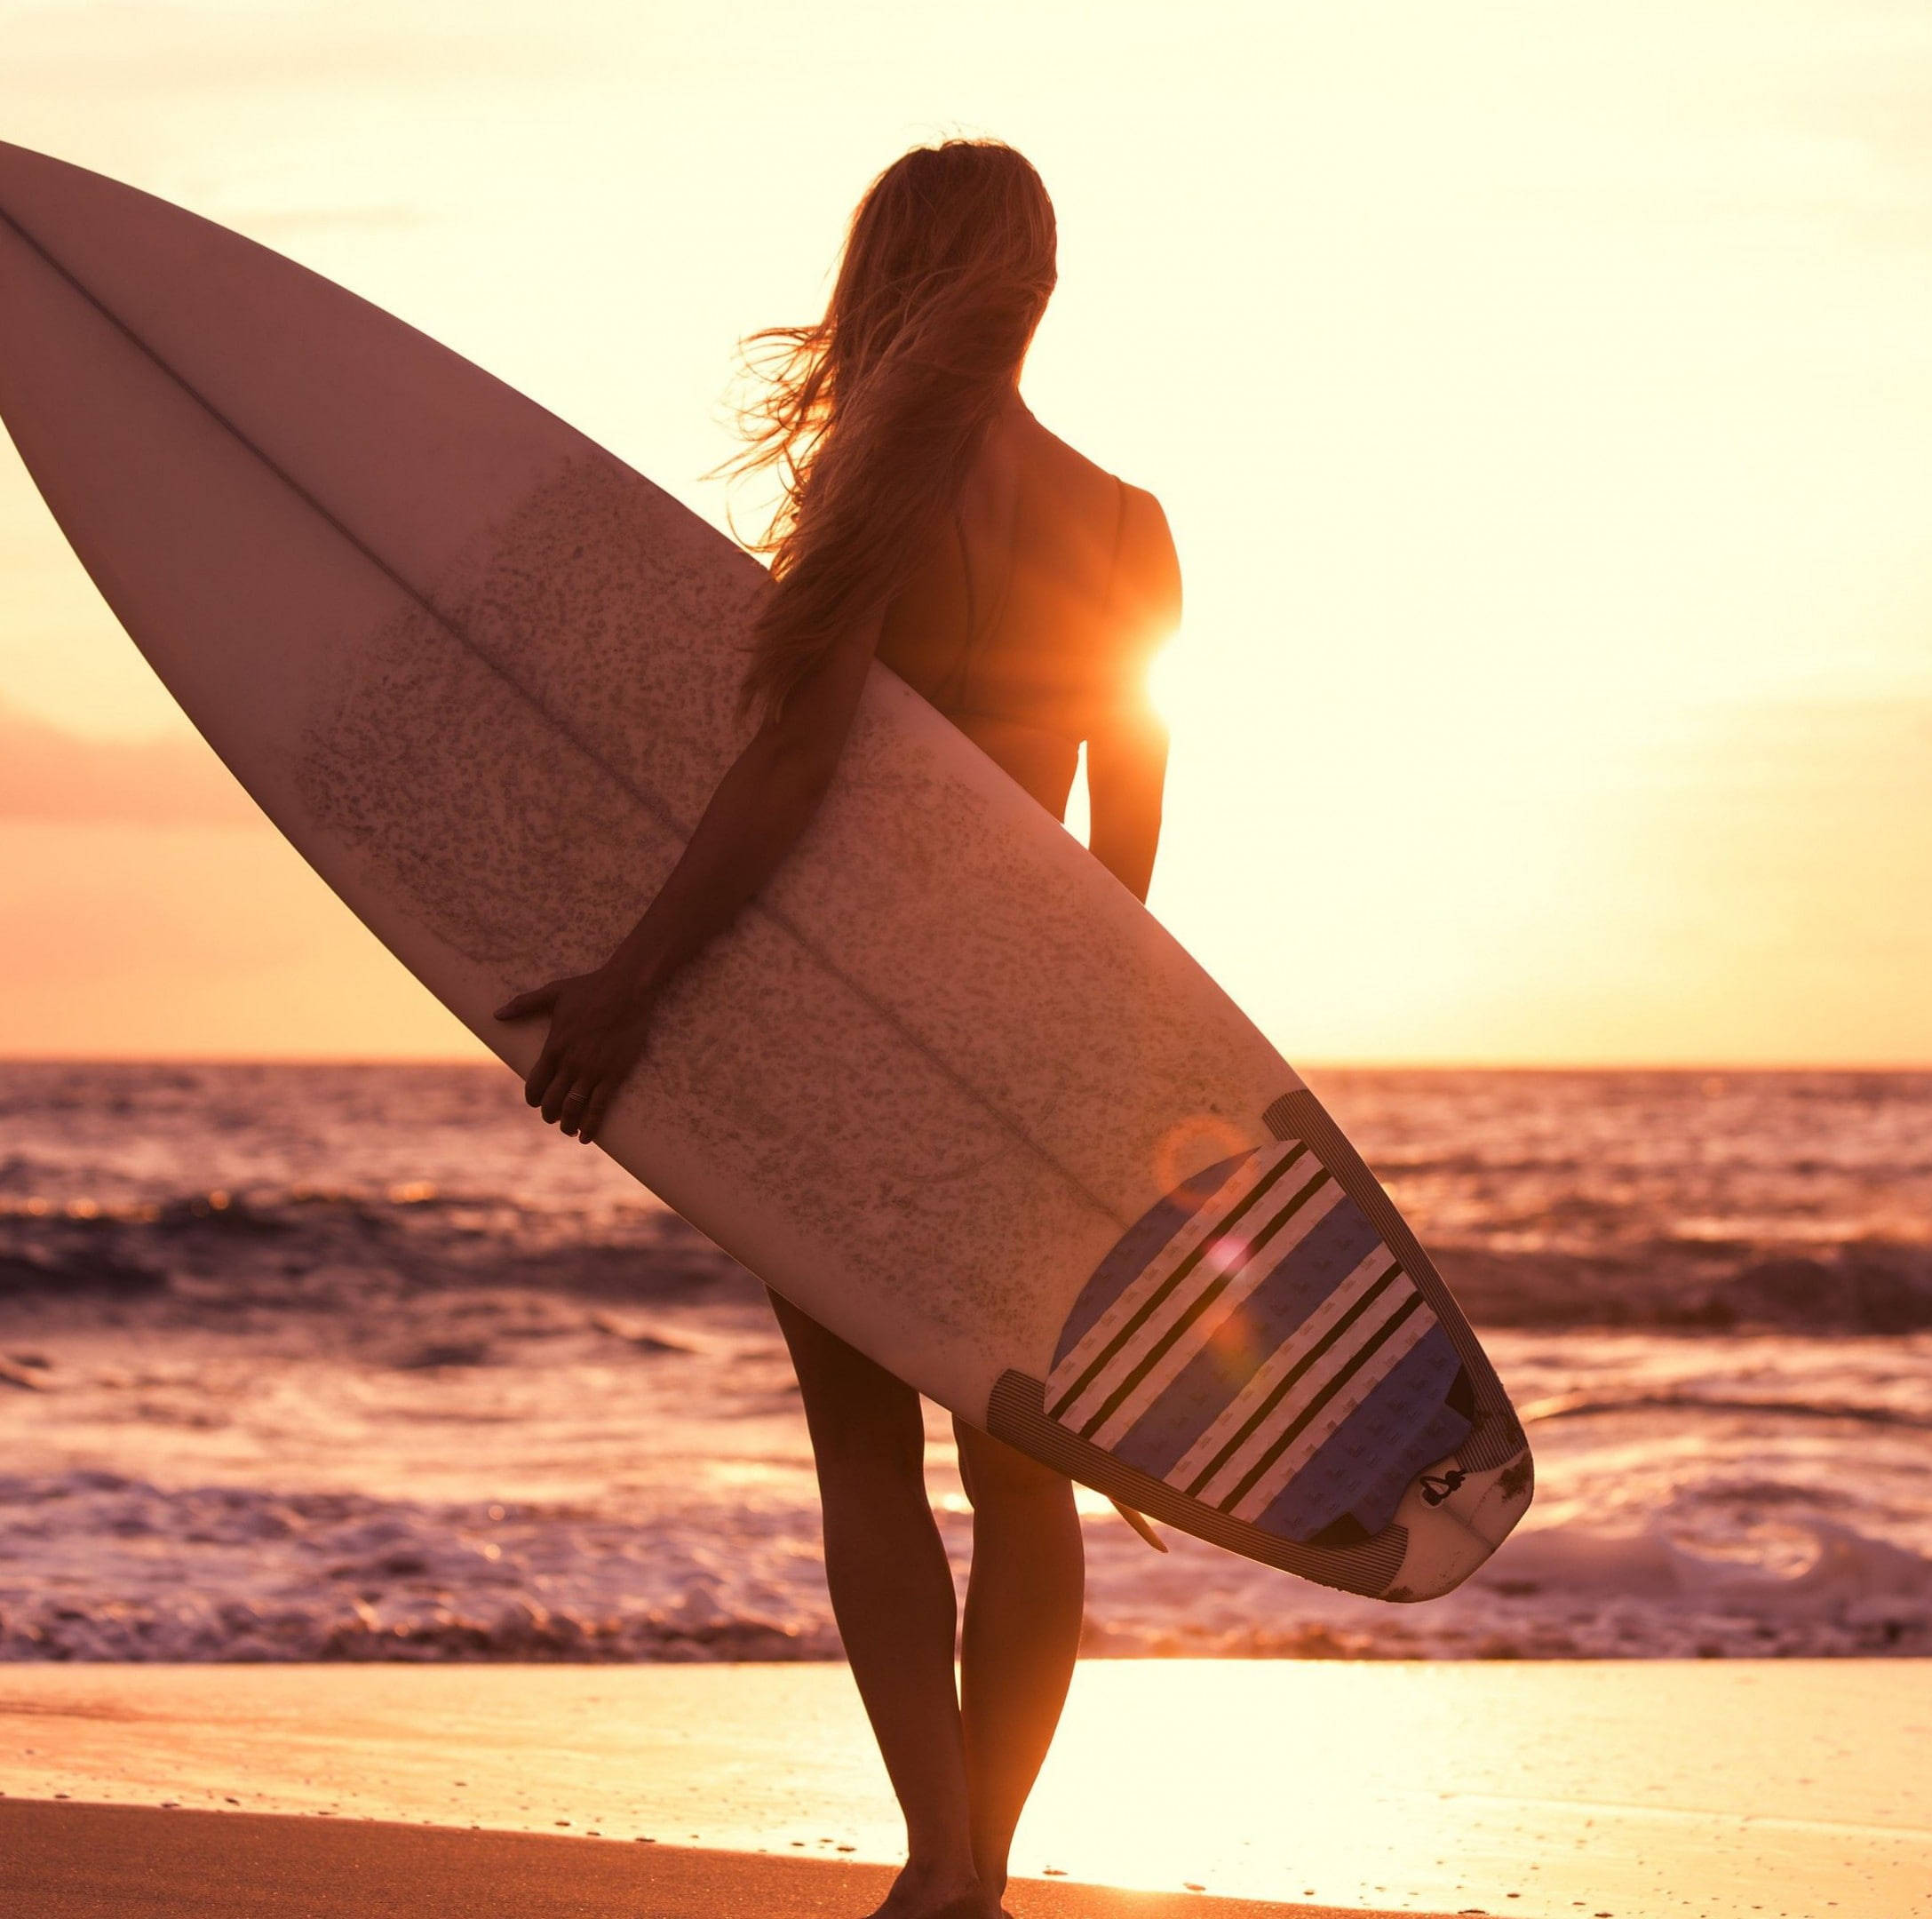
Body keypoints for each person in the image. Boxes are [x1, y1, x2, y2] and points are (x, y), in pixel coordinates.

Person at [491, 139, 1180, 1919]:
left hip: (844, 1020)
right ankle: (994, 1869)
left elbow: (790, 770)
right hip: (1033, 1029)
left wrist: (635, 979)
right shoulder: (1127, 527)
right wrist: (1099, 1084)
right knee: (1021, 1470)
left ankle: (936, 1859)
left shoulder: (878, 492)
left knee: (865, 1450)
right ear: (1032, 286)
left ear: (892, 280)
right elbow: (1125, 871)